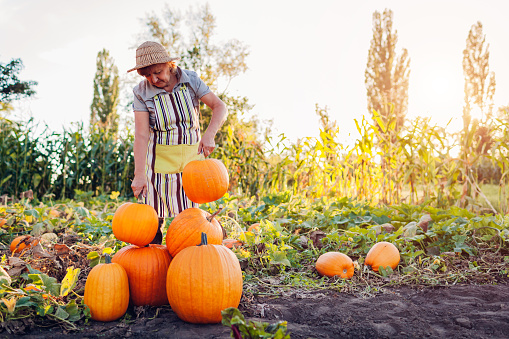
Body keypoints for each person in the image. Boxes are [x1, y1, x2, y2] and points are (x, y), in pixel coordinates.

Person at [128, 41, 227, 244]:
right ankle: (154, 266)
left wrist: (209, 135)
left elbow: (220, 107)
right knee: (152, 223)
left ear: (170, 65)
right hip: (159, 164)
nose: (154, 79)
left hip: (192, 164)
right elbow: (141, 135)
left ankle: (189, 262)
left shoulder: (190, 79)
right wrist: (139, 175)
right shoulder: (141, 92)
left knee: (191, 222)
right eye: (148, 75)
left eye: (158, 72)